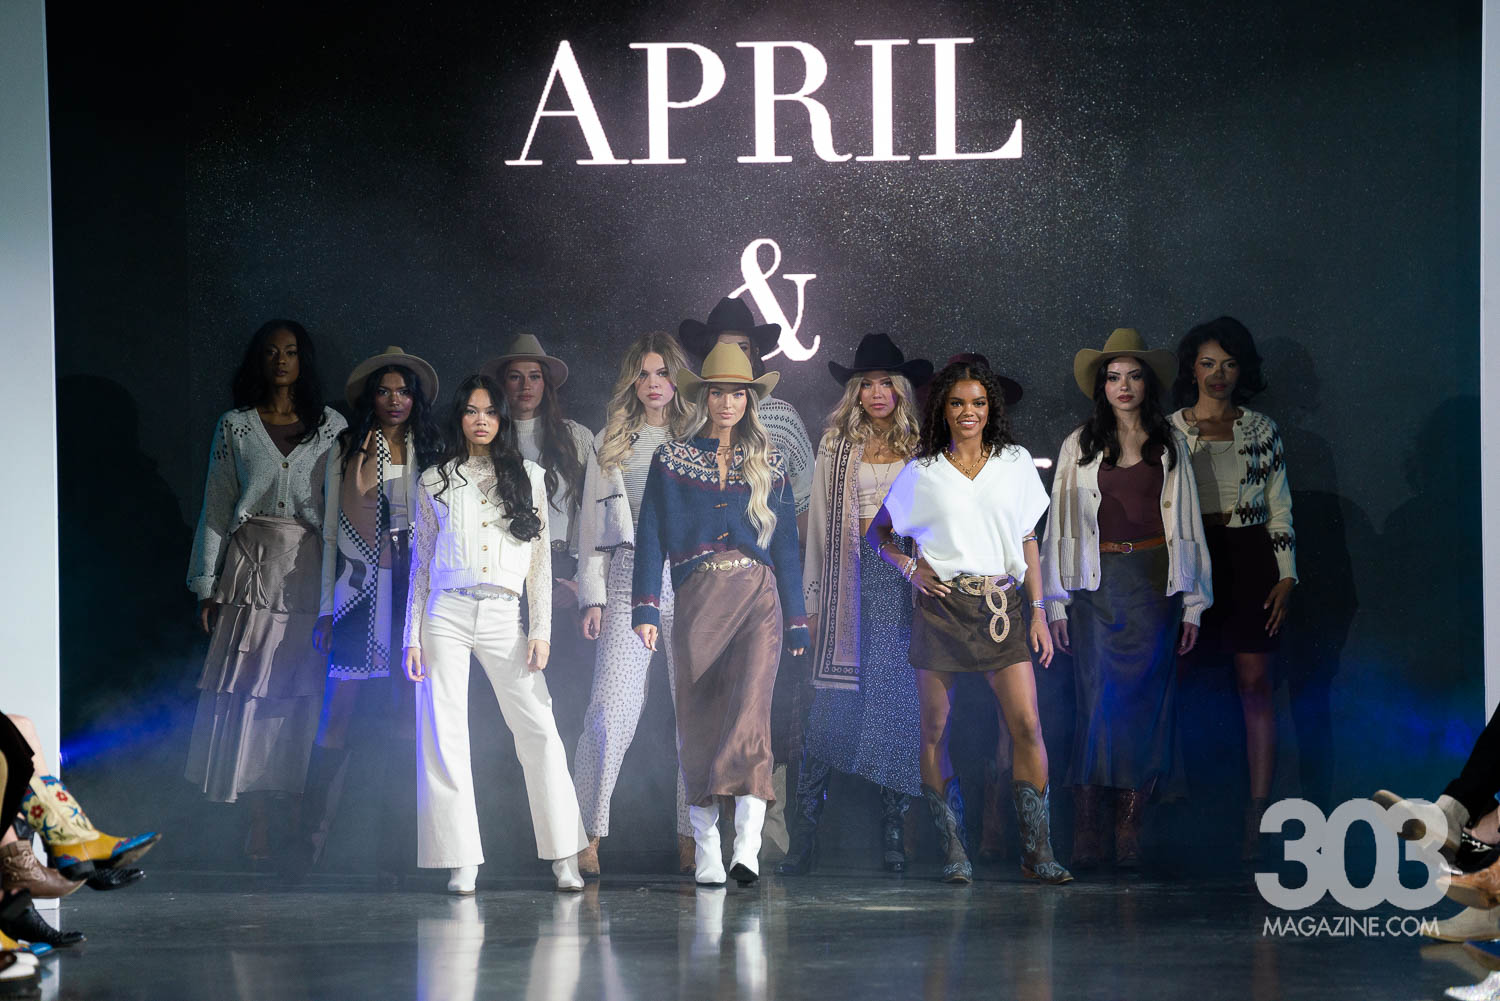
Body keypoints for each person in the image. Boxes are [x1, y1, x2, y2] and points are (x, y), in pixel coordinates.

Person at [868, 360, 1071, 885]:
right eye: (957, 403)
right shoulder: (923, 471)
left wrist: (1039, 612)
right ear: (943, 409)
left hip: (1003, 608)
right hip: (943, 610)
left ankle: (1037, 852)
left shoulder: (1014, 462)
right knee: (935, 729)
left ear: (990, 408)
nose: (968, 412)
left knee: (1027, 725)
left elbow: (1027, 539)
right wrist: (910, 568)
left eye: (978, 403)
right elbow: (878, 534)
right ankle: (954, 850)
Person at [631, 342, 808, 887]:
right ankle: (707, 845)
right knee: (699, 722)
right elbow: (650, 534)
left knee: (753, 717)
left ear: (750, 400)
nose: (727, 403)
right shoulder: (671, 460)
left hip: (759, 599)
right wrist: (645, 607)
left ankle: (747, 847)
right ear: (703, 397)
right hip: (698, 600)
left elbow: (786, 547)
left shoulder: (770, 463)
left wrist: (797, 618)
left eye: (737, 393)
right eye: (717, 393)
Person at [404, 375, 586, 894]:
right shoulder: (435, 480)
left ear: (502, 418)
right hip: (445, 613)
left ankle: (565, 856)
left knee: (539, 730)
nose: (480, 420)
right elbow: (422, 562)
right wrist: (410, 636)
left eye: (489, 411)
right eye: (471, 410)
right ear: (459, 417)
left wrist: (541, 628)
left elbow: (540, 563)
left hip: (506, 615)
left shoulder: (529, 476)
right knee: (443, 733)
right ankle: (459, 859)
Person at [1042, 328, 1211, 870]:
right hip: (1097, 586)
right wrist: (1054, 601)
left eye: (1134, 376)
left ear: (1147, 384)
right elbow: (1058, 527)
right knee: (1097, 707)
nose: (1124, 385)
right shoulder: (1080, 444)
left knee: (1146, 708)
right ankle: (1088, 828)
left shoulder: (1170, 443)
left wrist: (1193, 602)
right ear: (1102, 386)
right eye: (1114, 377)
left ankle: (1129, 829)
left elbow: (1188, 526)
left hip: (1154, 586)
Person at [184, 319, 346, 862]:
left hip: (307, 570)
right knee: (248, 693)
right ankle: (256, 820)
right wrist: (207, 585)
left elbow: (343, 511)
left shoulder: (331, 427)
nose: (282, 360)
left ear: (304, 360)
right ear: (259, 359)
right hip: (249, 572)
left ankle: (298, 819)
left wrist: (342, 590)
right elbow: (216, 506)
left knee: (299, 693)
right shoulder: (235, 426)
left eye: (292, 351)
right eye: (272, 352)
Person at [778, 334, 930, 875]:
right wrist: (814, 602)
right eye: (866, 384)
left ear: (901, 389)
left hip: (902, 579)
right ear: (855, 392)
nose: (876, 392)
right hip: (848, 576)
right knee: (830, 706)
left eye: (886, 383)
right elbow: (819, 526)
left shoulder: (921, 446)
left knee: (896, 704)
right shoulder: (835, 445)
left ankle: (894, 832)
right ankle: (805, 836)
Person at [298, 347, 442, 877]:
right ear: (370, 398)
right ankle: (308, 837)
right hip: (359, 584)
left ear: (415, 398)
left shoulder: (434, 447)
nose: (394, 400)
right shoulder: (346, 448)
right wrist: (325, 609)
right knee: (339, 706)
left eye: (403, 391)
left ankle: (402, 842)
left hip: (416, 582)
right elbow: (330, 532)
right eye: (384, 391)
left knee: (410, 709)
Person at [679, 297, 815, 859]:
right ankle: (702, 835)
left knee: (765, 703)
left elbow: (803, 504)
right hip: (704, 585)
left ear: (756, 354)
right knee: (706, 703)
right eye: (723, 345)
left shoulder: (779, 416)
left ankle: (766, 834)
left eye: (742, 345)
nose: (734, 354)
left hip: (763, 581)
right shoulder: (690, 422)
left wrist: (786, 581)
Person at [1168, 317, 1296, 859]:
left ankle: (1258, 815)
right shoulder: (1169, 430)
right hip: (1191, 557)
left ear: (1242, 371)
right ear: (1192, 369)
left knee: (1255, 684)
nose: (1218, 374)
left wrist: (1287, 574)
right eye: (1207, 363)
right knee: (1186, 684)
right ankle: (1191, 813)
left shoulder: (1262, 429)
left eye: (1229, 364)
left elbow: (1279, 505)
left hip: (1251, 558)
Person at [572, 332, 696, 876]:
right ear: (631, 381)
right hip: (627, 574)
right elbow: (591, 529)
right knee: (609, 711)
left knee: (695, 714)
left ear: (678, 378)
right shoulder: (610, 440)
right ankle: (586, 836)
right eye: (644, 374)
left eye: (663, 373)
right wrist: (593, 597)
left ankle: (695, 838)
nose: (653, 384)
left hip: (691, 576)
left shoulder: (700, 433)